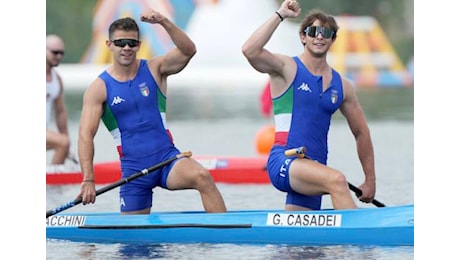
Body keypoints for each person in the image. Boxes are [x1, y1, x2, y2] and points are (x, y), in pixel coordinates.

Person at [76, 9, 227, 214]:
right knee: (133, 244)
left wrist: (164, 21)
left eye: (132, 42)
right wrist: (88, 179)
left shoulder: (156, 68)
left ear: (139, 45)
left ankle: (221, 235)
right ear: (109, 45)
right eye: (120, 42)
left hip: (167, 160)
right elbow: (85, 135)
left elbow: (188, 50)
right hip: (134, 173)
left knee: (202, 176)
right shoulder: (99, 89)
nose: (127, 47)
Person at [242, 0, 376, 210]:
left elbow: (361, 133)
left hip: (314, 168)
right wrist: (280, 15)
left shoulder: (343, 86)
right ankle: (363, 241)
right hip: (284, 161)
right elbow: (250, 50)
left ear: (332, 39)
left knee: (303, 240)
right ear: (303, 37)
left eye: (325, 32)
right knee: (337, 181)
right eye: (313, 31)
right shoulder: (287, 68)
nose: (319, 36)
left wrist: (370, 180)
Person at [46, 34, 71, 165]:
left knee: (64, 142)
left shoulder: (58, 80)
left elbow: (60, 112)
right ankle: (52, 179)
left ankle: (51, 179)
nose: (59, 56)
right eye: (55, 52)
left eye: (62, 53)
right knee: (62, 142)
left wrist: (67, 141)